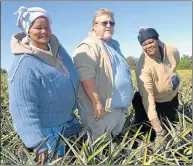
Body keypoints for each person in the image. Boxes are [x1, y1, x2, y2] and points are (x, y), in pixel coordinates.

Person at [8, 6, 81, 165]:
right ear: (28, 30)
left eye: (47, 27)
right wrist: (37, 143)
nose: (44, 31)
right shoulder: (24, 64)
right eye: (38, 28)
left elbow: (73, 78)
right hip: (48, 134)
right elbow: (22, 108)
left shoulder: (58, 51)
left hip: (69, 124)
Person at [72, 8, 134, 142]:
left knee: (112, 147)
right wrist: (97, 102)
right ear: (94, 26)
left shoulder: (114, 46)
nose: (108, 26)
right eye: (104, 23)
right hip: (102, 112)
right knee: (99, 151)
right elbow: (85, 75)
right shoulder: (88, 45)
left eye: (112, 23)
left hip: (117, 110)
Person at [132, 27, 180, 144]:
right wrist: (158, 130)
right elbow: (148, 97)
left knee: (171, 126)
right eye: (144, 44)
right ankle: (142, 143)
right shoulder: (142, 66)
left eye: (150, 42)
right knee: (150, 132)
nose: (148, 46)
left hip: (171, 98)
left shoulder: (171, 50)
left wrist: (170, 78)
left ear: (157, 40)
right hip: (153, 101)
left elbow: (176, 62)